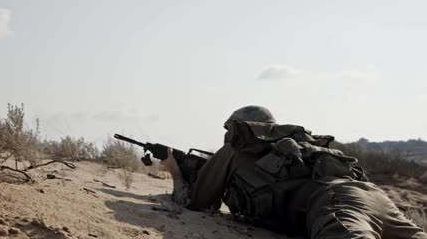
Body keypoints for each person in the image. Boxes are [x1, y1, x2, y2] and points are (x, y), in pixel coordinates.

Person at [161, 106, 427, 239]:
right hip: (374, 197)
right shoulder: (296, 144)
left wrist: (174, 171)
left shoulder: (235, 149)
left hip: (334, 204)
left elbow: (197, 204)